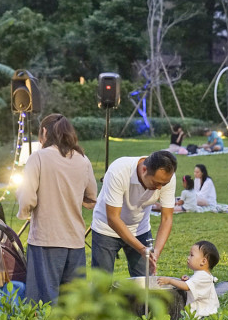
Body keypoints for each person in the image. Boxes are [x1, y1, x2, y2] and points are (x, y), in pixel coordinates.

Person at [16, 114, 98, 303]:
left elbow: (27, 197)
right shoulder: (83, 160)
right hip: (75, 240)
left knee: (43, 301)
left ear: (44, 132)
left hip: (46, 238)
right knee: (72, 303)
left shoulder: (38, 157)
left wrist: (25, 212)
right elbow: (92, 197)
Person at [91, 151, 177, 278]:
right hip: (106, 229)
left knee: (145, 282)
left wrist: (155, 252)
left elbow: (167, 218)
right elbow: (113, 218)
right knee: (101, 283)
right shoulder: (118, 171)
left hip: (139, 229)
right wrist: (142, 250)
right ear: (144, 170)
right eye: (156, 183)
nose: (160, 188)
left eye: (163, 184)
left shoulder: (166, 179)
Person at [158, 240, 220, 318]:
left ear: (203, 261)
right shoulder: (203, 275)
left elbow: (186, 287)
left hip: (203, 315)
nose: (188, 258)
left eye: (191, 255)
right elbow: (195, 284)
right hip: (205, 313)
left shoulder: (202, 276)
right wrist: (189, 280)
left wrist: (170, 281)